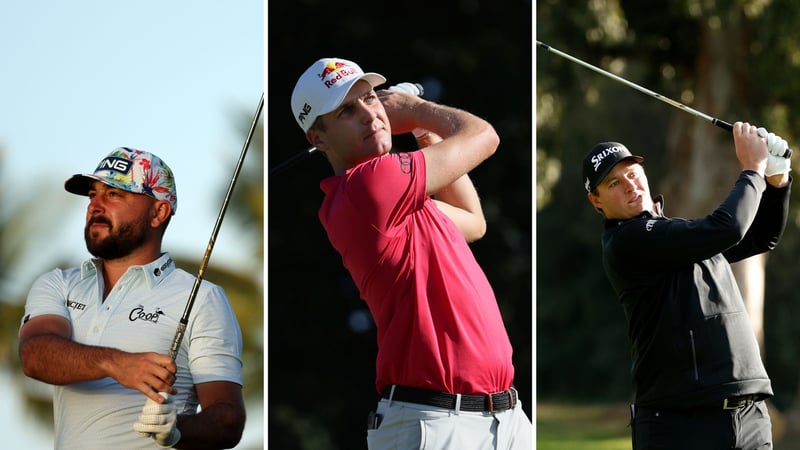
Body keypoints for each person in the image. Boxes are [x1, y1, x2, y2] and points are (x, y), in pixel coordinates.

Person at [289, 57, 532, 449]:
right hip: (435, 424)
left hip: (503, 418)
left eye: (370, 98)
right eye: (347, 111)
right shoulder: (367, 187)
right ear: (318, 137)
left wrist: (420, 129)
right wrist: (417, 109)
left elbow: (473, 220)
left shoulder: (395, 202)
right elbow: (484, 136)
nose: (371, 114)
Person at [18, 147, 246, 449]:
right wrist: (117, 364)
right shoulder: (58, 283)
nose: (95, 205)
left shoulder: (203, 298)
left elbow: (228, 418)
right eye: (92, 195)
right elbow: (34, 356)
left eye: (114, 194)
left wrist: (176, 429)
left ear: (158, 213)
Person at [582, 123, 792, 449]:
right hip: (682, 423)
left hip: (748, 414)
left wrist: (776, 183)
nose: (630, 186)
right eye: (614, 183)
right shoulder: (628, 242)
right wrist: (753, 169)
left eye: (632, 174)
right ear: (596, 201)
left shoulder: (674, 234)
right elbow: (729, 228)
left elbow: (761, 237)